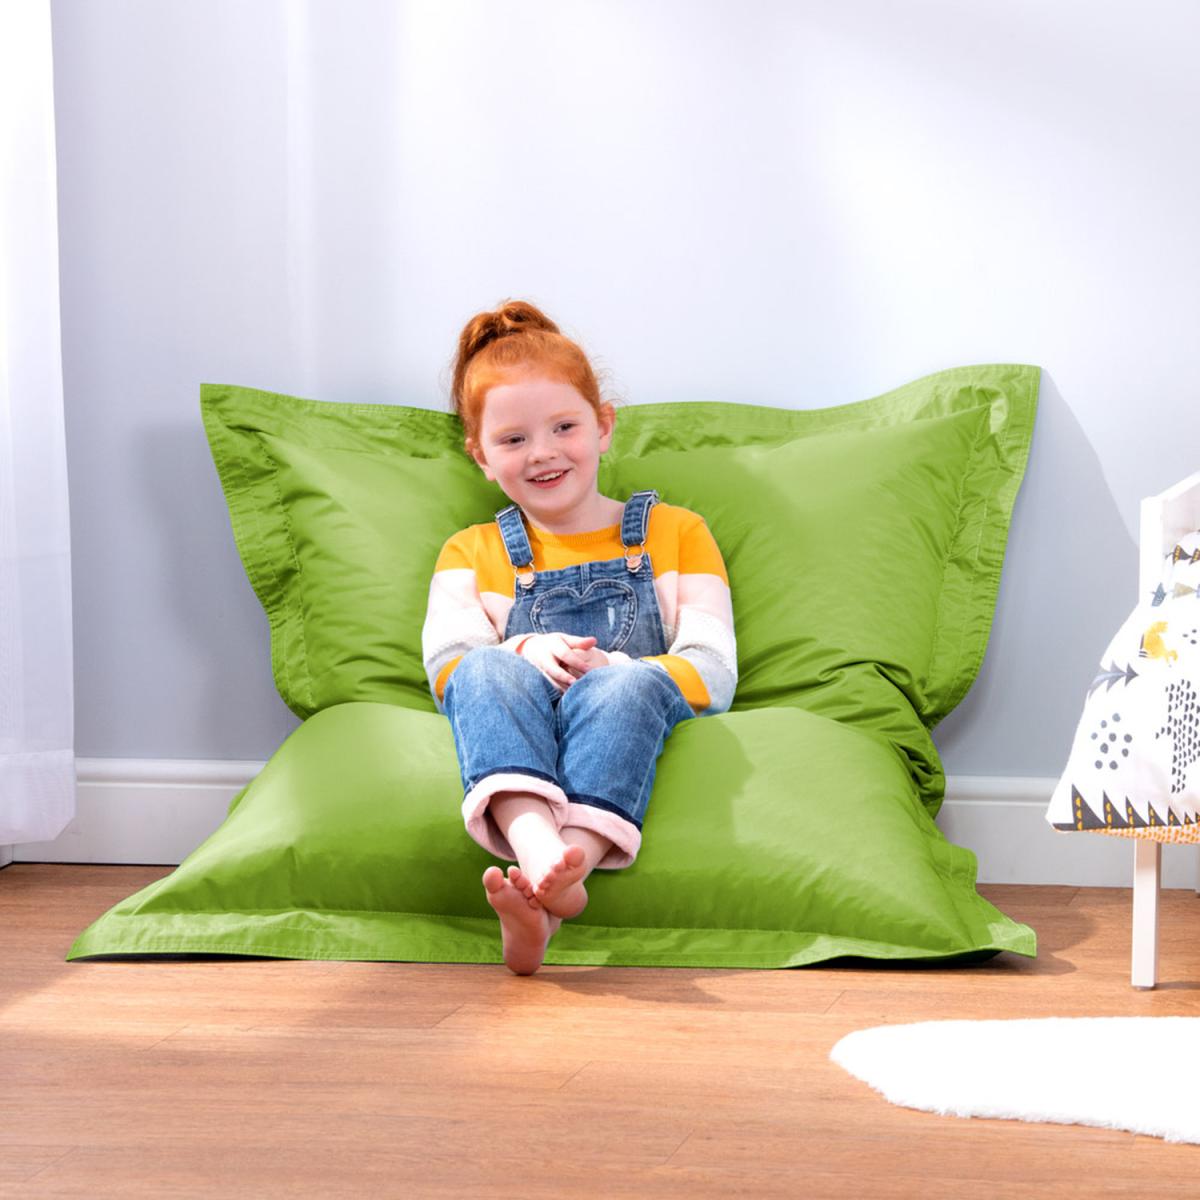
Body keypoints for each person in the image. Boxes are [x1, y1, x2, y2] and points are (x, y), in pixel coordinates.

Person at [421, 299, 737, 974]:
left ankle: (563, 879)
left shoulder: (677, 533)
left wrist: (618, 668)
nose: (542, 453)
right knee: (484, 669)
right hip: (516, 711)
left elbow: (712, 670)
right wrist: (523, 650)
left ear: (603, 426)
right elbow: (448, 669)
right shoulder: (470, 551)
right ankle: (538, 849)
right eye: (513, 440)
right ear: (481, 457)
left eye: (563, 426)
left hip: (626, 704)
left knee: (628, 685)